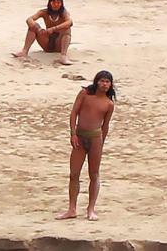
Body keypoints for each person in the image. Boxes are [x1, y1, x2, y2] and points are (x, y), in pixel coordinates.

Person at [56, 70, 116, 222]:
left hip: (95, 138)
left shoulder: (109, 104)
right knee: (74, 173)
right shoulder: (84, 94)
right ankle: (72, 208)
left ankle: (91, 209)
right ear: (96, 81)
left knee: (94, 174)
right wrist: (72, 133)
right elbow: (74, 113)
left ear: (111, 85)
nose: (104, 84)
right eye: (102, 81)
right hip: (80, 137)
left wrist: (102, 142)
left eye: (107, 82)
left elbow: (105, 125)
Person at [11, 0, 73, 65]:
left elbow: (70, 22)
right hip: (47, 43)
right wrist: (38, 29)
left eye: (58, 3)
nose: (56, 5)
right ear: (50, 3)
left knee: (67, 29)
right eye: (54, 2)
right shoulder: (44, 12)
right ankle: (24, 51)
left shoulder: (64, 13)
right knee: (33, 27)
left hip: (58, 44)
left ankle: (63, 56)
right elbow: (29, 19)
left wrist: (54, 29)